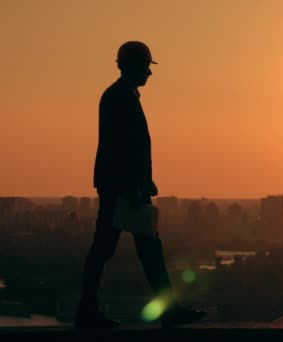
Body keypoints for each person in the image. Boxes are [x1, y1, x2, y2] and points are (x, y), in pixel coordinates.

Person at [75, 41, 207, 329]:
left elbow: (124, 148)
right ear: (131, 66)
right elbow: (122, 148)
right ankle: (92, 311)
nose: (150, 72)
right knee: (121, 250)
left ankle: (90, 310)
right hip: (124, 190)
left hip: (122, 188)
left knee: (129, 250)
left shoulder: (121, 96)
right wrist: (134, 188)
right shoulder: (120, 97)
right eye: (146, 66)